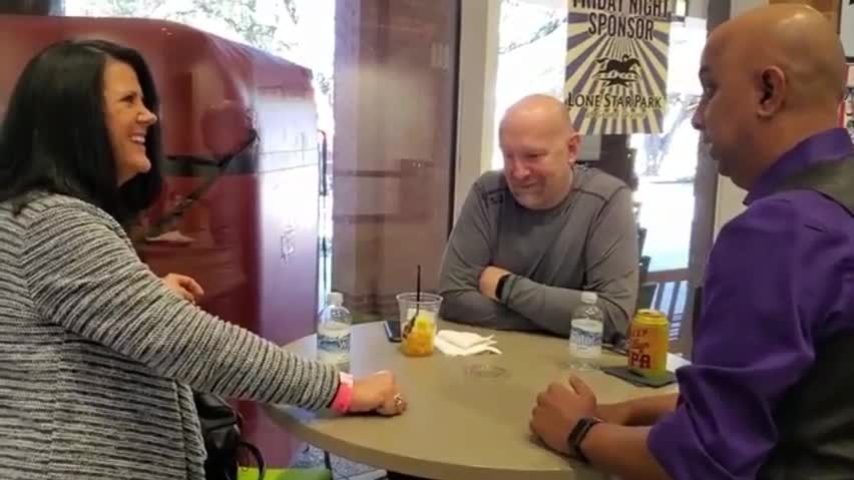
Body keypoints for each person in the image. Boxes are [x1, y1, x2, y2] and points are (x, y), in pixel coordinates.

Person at [0, 39, 406, 480]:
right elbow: (194, 344)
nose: (149, 116)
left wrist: (144, 298)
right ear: (76, 119)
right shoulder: (57, 225)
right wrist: (343, 391)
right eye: (128, 101)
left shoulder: (30, 214)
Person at [529, 4, 854, 479]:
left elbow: (703, 459)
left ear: (769, 91)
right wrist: (635, 410)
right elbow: (792, 398)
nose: (698, 117)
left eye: (710, 89)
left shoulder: (778, 233)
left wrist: (579, 431)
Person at [438, 94, 639, 341]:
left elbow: (613, 317)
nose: (518, 172)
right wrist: (560, 321)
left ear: (572, 149)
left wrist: (505, 286)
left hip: (572, 361)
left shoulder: (607, 200)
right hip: (490, 356)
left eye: (533, 156)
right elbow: (453, 298)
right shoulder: (488, 192)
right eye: (508, 156)